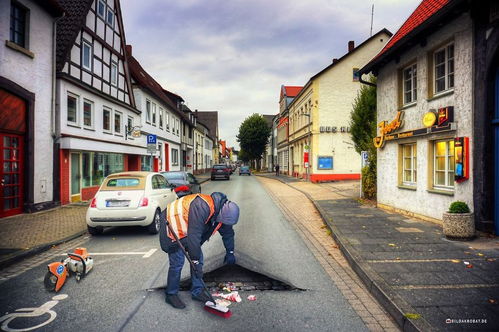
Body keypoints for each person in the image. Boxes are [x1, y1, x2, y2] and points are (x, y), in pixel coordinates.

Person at [159, 192, 240, 309]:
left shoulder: (223, 215)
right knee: (178, 262)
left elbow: (228, 234)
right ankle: (171, 294)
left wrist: (230, 252)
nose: (224, 225)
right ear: (220, 213)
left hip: (188, 229)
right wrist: (195, 262)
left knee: (198, 260)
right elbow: (194, 236)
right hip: (172, 225)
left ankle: (197, 291)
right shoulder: (202, 206)